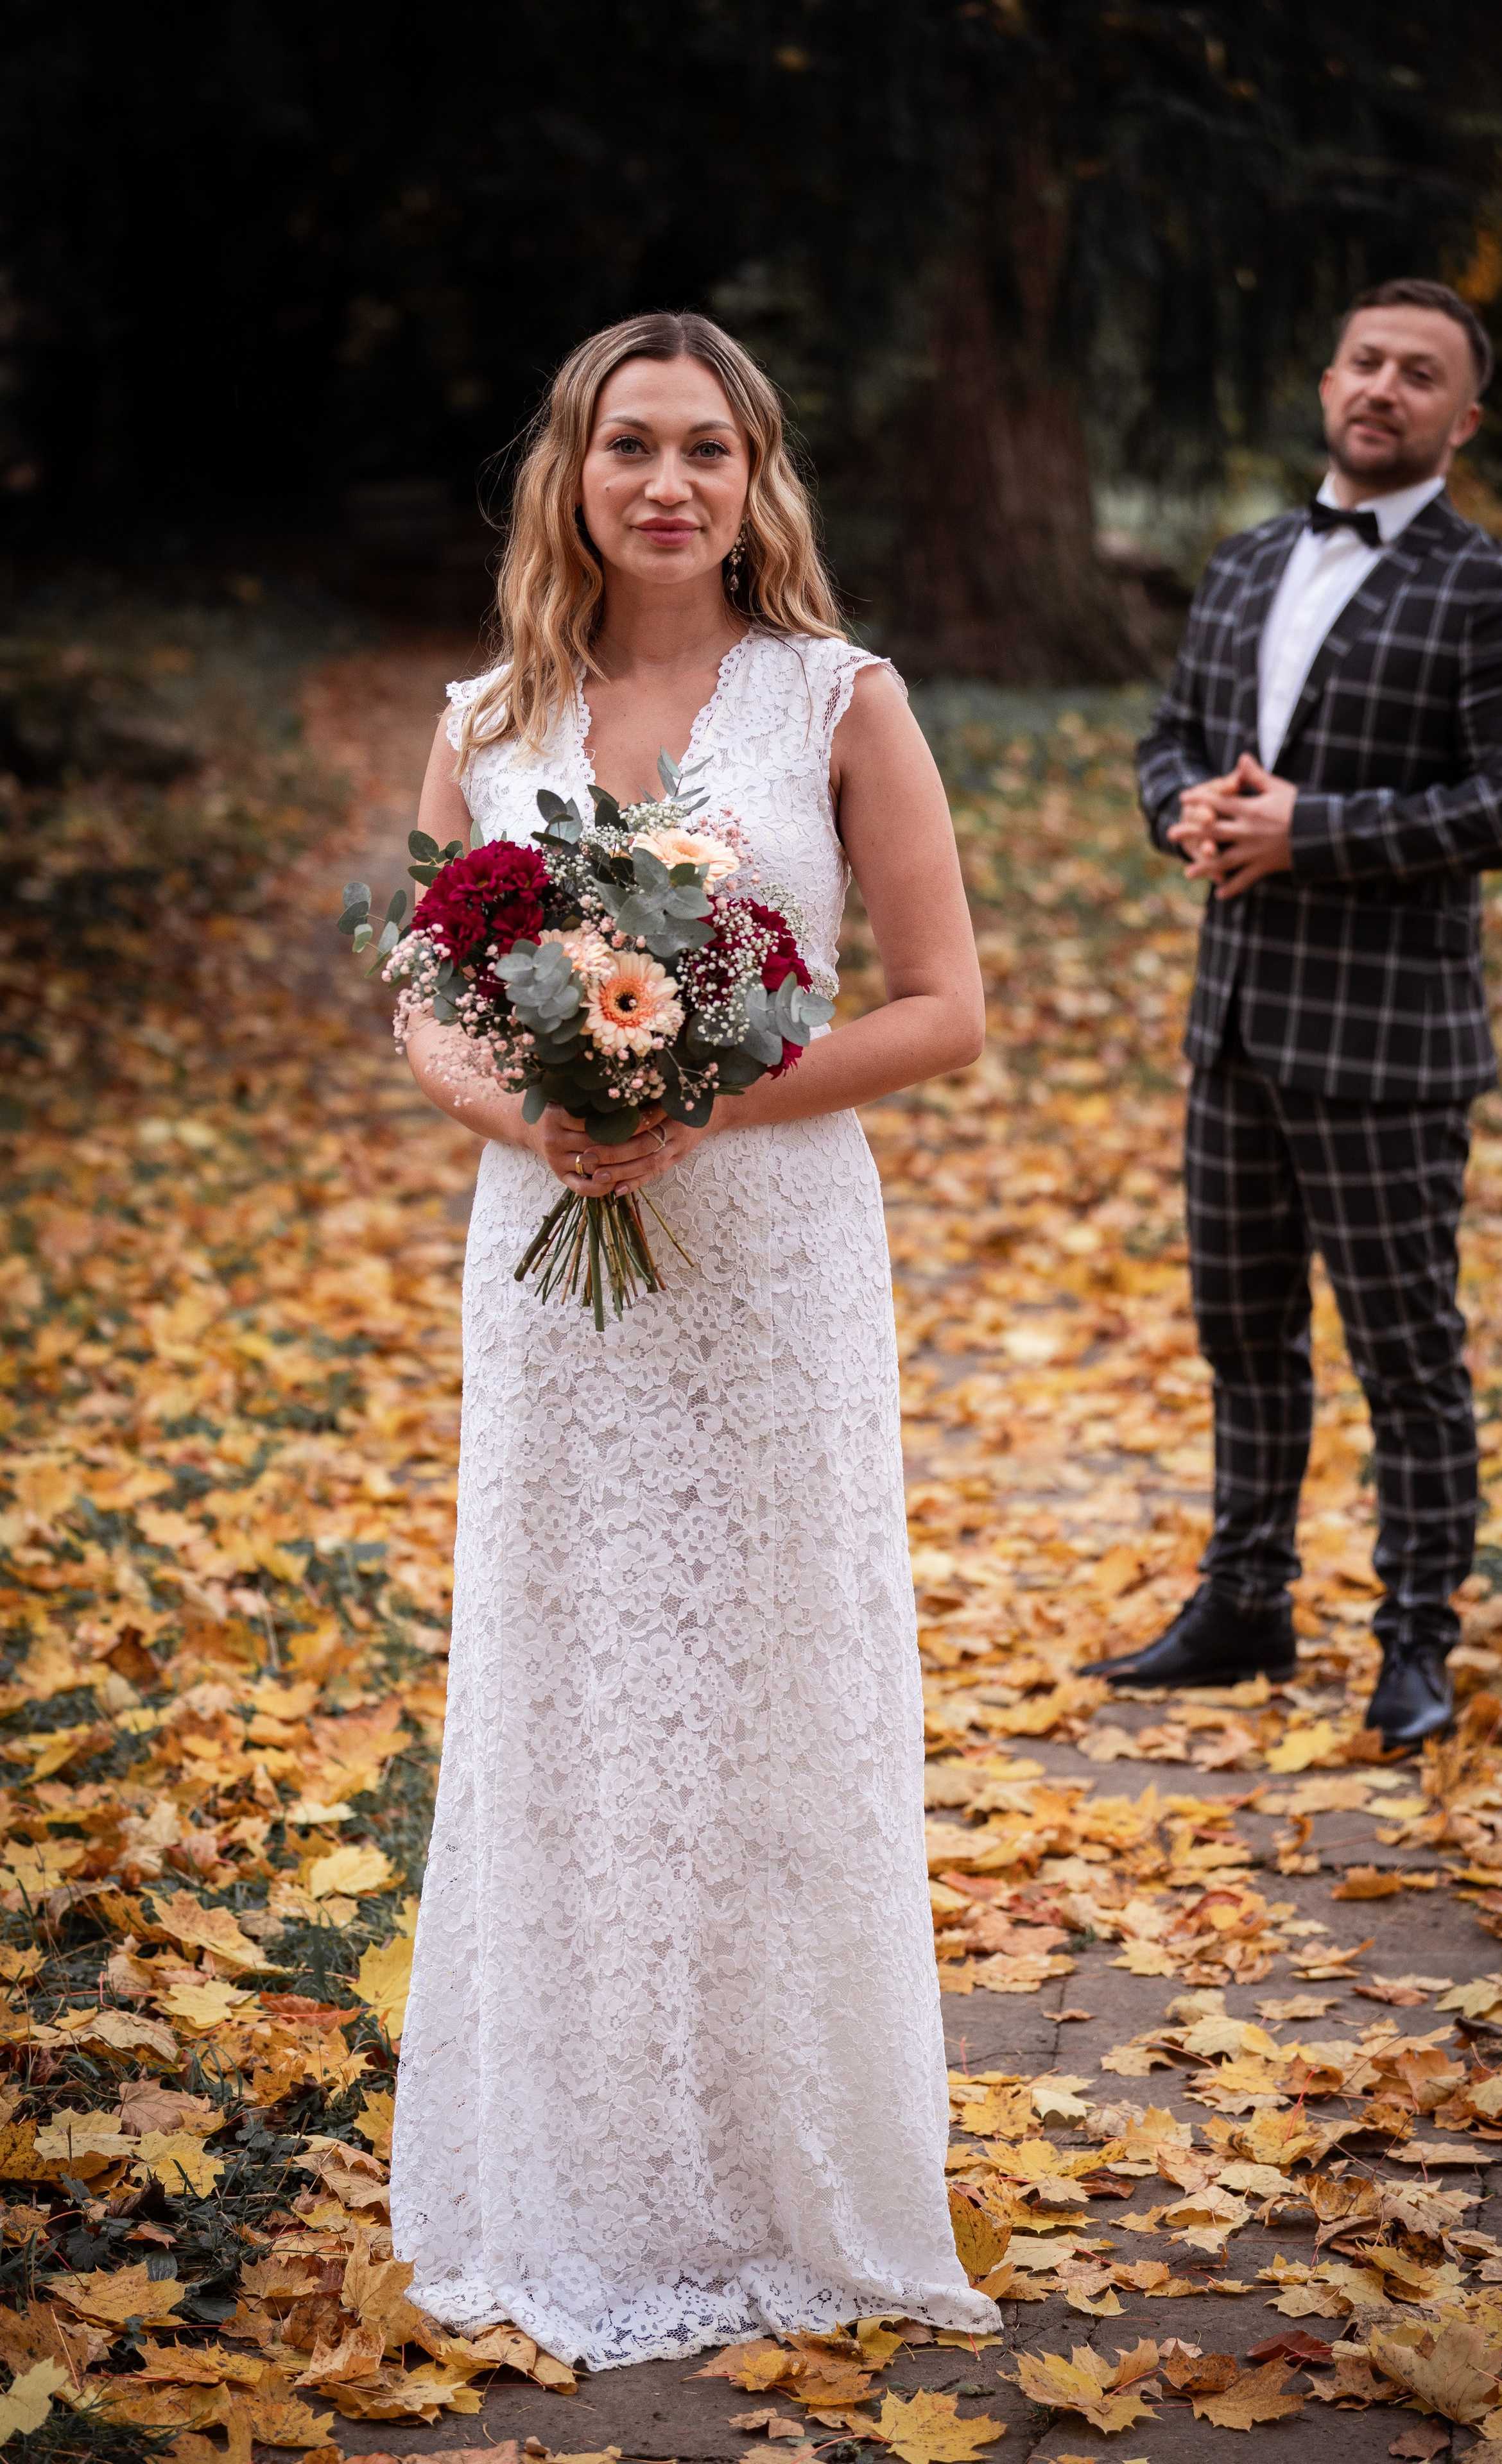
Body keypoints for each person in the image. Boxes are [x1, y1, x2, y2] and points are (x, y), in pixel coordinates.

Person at [387, 312, 995, 2366]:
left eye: (708, 452)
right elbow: (433, 998)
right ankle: (576, 2173)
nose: (669, 484)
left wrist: (699, 1100)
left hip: (778, 1267)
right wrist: (534, 1112)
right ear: (572, 473)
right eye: (631, 446)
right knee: (571, 1689)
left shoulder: (843, 698)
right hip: (553, 1274)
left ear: (758, 482)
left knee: (768, 1691)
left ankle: (782, 2177)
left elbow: (941, 1006)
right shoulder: (488, 718)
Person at [1089, 278, 1502, 1749]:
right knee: (1242, 1337)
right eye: (1364, 360)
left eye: (1418, 374)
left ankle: (1413, 1640)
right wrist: (1179, 805)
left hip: (1385, 1047)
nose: (1383, 387)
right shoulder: (1241, 563)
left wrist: (1317, 832)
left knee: (1403, 1354)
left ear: (1458, 419)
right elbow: (1170, 735)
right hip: (1231, 1024)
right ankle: (1244, 1604)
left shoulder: (1486, 586)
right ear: (1324, 382)